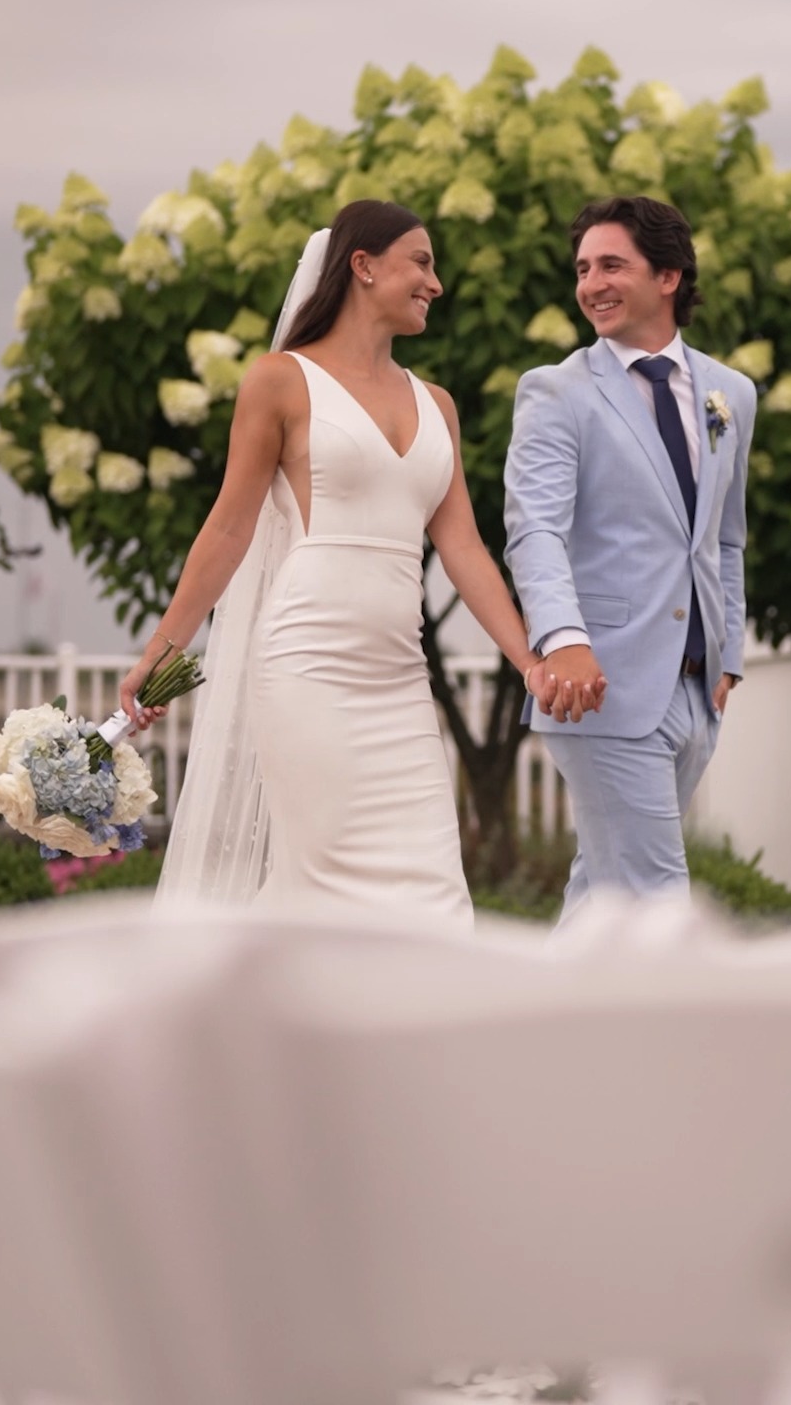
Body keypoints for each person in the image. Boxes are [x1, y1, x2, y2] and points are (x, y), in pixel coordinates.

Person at [122, 200, 566, 919]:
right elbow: (229, 529)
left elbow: (463, 549)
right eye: (421, 262)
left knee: (435, 896)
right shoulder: (280, 381)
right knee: (323, 893)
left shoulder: (438, 406)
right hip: (307, 667)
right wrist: (160, 649)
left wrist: (531, 661)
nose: (437, 282)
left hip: (399, 682)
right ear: (362, 265)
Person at [504, 193, 756, 920]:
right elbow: (534, 529)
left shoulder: (730, 394)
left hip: (693, 693)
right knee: (655, 905)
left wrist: (727, 652)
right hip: (599, 686)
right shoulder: (556, 392)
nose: (591, 284)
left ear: (669, 274)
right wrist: (564, 641)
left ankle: (545, 1032)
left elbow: (724, 538)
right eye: (583, 269)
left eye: (611, 264)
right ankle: (690, 1038)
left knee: (604, 899)